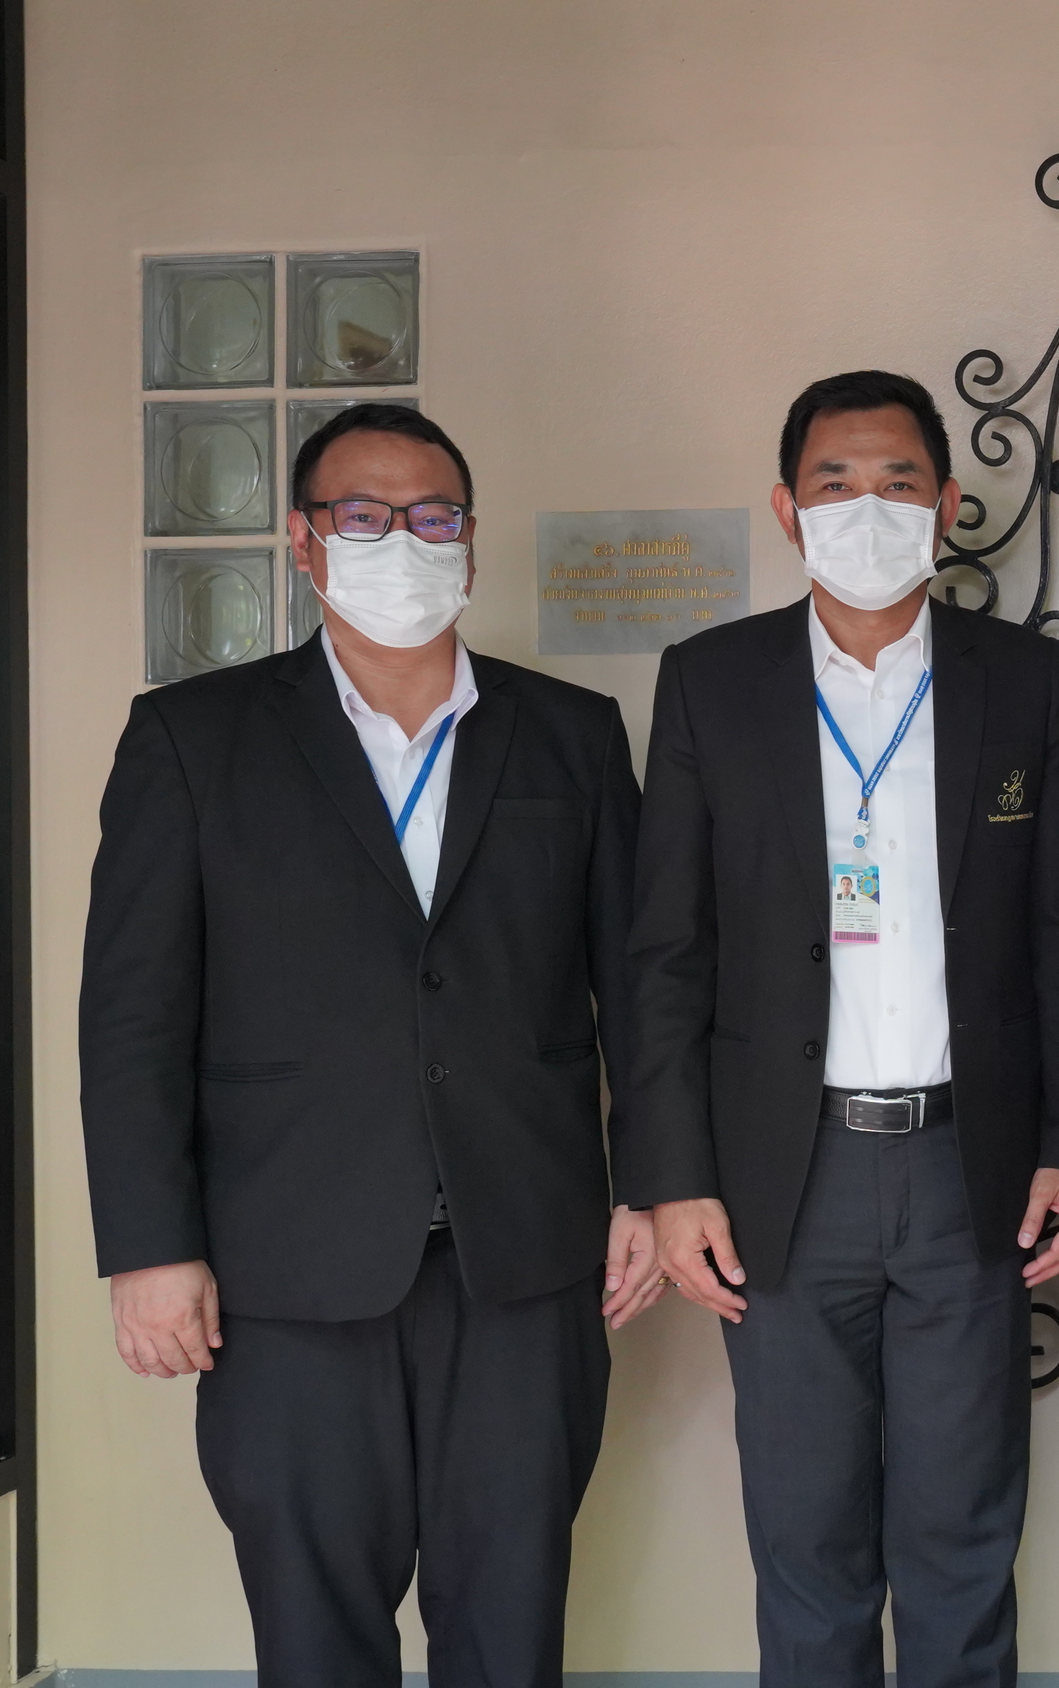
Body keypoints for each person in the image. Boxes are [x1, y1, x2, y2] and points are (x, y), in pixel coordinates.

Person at [81, 403, 655, 1687]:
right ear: (305, 540)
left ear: (471, 540)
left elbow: (640, 985)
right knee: (316, 1635)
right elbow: (131, 1016)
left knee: (510, 1627)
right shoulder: (193, 737)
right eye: (364, 515)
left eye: (433, 516)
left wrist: (653, 1185)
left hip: (524, 1264)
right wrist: (150, 1246)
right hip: (286, 1271)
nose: (404, 539)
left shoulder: (571, 733)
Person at [616, 370, 1059, 1688]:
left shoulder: (1020, 680)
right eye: (835, 484)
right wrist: (673, 1179)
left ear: (946, 504)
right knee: (805, 1541)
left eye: (897, 483)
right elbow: (667, 953)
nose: (866, 509)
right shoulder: (712, 682)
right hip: (783, 1175)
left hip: (969, 1167)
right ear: (787, 509)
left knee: (962, 1539)